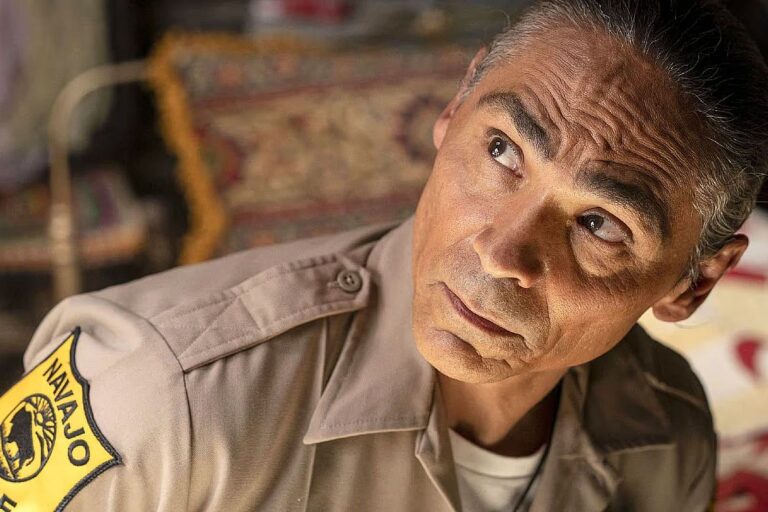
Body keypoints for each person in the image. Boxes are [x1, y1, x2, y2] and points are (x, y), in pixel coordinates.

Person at [2, 0, 768, 510]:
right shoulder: (159, 397)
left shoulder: (669, 442)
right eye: (502, 150)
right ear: (454, 110)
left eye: (598, 224)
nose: (501, 251)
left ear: (693, 282)